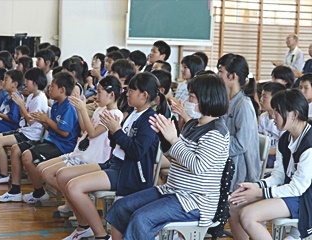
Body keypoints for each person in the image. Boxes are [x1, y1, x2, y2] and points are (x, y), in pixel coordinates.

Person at [106, 72, 230, 240]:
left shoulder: (216, 132)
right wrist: (165, 140)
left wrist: (173, 139)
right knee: (121, 207)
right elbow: (177, 159)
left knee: (141, 218)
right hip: (173, 190)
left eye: (192, 97)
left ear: (206, 99)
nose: (187, 101)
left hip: (193, 201)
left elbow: (197, 166)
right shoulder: (193, 124)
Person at [57, 72, 160, 240]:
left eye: (132, 90)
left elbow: (136, 151)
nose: (127, 94)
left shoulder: (150, 120)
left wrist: (116, 130)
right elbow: (118, 144)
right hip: (115, 164)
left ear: (144, 95)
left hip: (130, 173)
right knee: (63, 175)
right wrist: (113, 130)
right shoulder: (133, 114)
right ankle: (83, 227)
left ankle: (100, 234)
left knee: (74, 187)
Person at [229, 89, 312, 240]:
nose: (273, 117)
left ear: (294, 114)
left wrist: (259, 192)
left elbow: (298, 188)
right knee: (234, 205)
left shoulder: (310, 144)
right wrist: (256, 186)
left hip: (305, 197)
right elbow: (278, 176)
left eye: (277, 112)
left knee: (248, 216)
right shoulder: (285, 138)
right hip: (289, 191)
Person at [37, 75, 123, 213]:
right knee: (42, 169)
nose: (96, 96)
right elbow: (85, 130)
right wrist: (79, 109)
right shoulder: (101, 109)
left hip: (93, 158)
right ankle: (73, 201)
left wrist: (83, 109)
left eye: (99, 92)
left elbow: (94, 133)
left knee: (49, 173)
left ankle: (77, 203)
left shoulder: (116, 114)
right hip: (81, 152)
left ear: (111, 94)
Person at [0, 72, 80, 203]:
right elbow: (50, 128)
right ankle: (15, 190)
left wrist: (46, 120)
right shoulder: (56, 105)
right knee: (16, 149)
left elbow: (64, 133)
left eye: (53, 87)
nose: (49, 89)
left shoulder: (69, 107)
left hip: (63, 146)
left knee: (27, 156)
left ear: (62, 90)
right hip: (51, 141)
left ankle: (39, 191)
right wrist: (43, 121)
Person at [0, 67, 48, 182]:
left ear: (35, 82)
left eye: (27, 80)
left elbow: (31, 121)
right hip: (23, 131)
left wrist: (21, 105)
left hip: (31, 135)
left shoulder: (40, 98)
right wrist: (21, 105)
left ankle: (4, 175)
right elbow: (24, 116)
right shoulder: (31, 96)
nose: (25, 83)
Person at [217, 53, 260, 191]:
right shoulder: (226, 101)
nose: (218, 75)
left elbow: (241, 144)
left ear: (233, 76)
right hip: (225, 164)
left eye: (220, 71)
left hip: (239, 173)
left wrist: (215, 147)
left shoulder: (243, 105)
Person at [259, 82, 286, 168]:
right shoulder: (263, 117)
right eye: (261, 96)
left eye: (264, 96)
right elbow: (259, 137)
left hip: (276, 155)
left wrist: (265, 151)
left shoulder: (283, 119)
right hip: (264, 153)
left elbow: (283, 148)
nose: (260, 100)